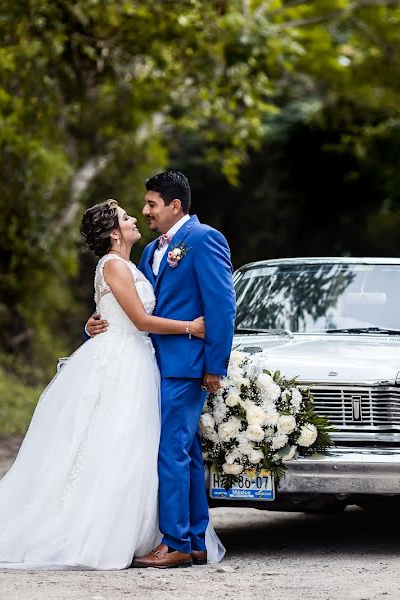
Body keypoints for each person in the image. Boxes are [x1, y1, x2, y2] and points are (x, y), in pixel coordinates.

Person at [0, 199, 223, 569]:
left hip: (139, 362)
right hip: (122, 362)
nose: (136, 218)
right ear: (114, 233)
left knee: (135, 447)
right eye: (127, 217)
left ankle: (165, 533)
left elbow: (116, 314)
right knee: (109, 443)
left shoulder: (135, 263)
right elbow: (140, 320)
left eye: (140, 209)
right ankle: (98, 531)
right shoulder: (113, 265)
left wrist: (92, 323)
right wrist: (192, 327)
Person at [86, 170, 236, 569]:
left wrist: (214, 365)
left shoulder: (204, 240)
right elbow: (134, 307)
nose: (145, 211)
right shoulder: (152, 249)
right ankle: (195, 539)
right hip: (154, 363)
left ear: (174, 205)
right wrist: (95, 321)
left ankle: (175, 543)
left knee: (171, 451)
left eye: (151, 204)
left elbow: (221, 307)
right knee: (184, 451)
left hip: (186, 366)